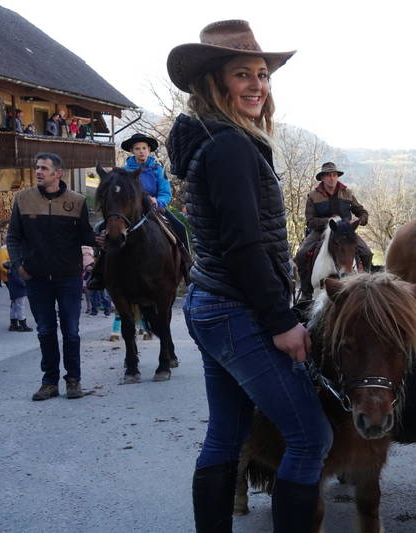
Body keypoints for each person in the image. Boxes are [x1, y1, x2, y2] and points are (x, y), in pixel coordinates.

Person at [166, 20, 331, 533]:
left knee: (227, 434)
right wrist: (281, 320)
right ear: (214, 81)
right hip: (236, 309)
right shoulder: (230, 146)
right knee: (311, 437)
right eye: (243, 74)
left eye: (262, 74)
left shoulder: (216, 139)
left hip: (212, 303)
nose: (258, 84)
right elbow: (244, 245)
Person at [6, 152, 96, 401]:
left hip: (68, 278)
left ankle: (74, 380)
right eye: (37, 167)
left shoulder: (77, 201)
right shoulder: (23, 199)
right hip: (36, 279)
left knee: (71, 332)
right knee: (45, 331)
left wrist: (105, 236)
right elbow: (13, 237)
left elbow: (86, 236)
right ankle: (49, 382)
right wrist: (18, 266)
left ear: (58, 173)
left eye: (44, 168)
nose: (38, 171)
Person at [87, 132, 191, 290]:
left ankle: (188, 266)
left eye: (144, 148)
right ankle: (99, 271)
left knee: (180, 228)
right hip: (129, 212)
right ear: (132, 151)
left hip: (154, 209)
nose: (141, 151)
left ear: (149, 150)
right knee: (100, 228)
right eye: (137, 148)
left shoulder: (158, 169)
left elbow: (166, 193)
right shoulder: (123, 171)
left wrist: (158, 201)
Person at [293, 161, 371, 300]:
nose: (332, 178)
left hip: (345, 232)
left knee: (366, 252)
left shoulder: (347, 193)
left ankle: (366, 286)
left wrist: (360, 220)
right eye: (328, 175)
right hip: (320, 231)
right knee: (302, 254)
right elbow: (310, 221)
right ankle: (306, 292)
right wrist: (330, 221)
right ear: (322, 178)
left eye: (334, 175)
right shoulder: (313, 196)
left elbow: (362, 212)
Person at [0, 245, 33, 331]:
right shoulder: (15, 265)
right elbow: (17, 278)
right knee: (20, 306)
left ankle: (13, 324)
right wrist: (25, 283)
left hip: (14, 288)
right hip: (19, 289)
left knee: (14, 305)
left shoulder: (11, 265)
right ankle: (23, 324)